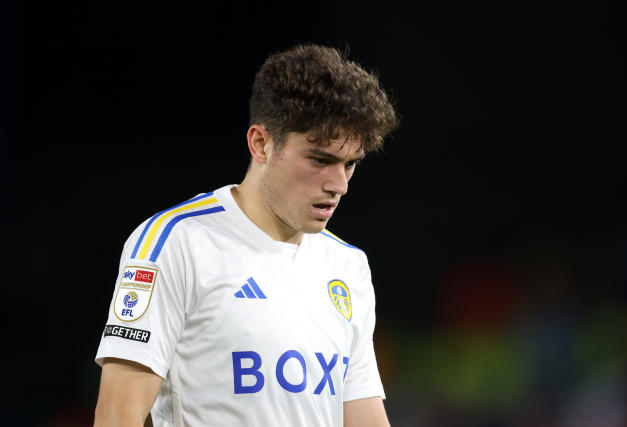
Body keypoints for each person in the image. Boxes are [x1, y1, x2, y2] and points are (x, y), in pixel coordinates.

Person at [94, 44, 399, 427]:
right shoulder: (176, 242)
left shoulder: (348, 266)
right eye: (320, 160)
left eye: (350, 164)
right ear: (261, 143)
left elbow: (362, 414)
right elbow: (116, 415)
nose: (340, 185)